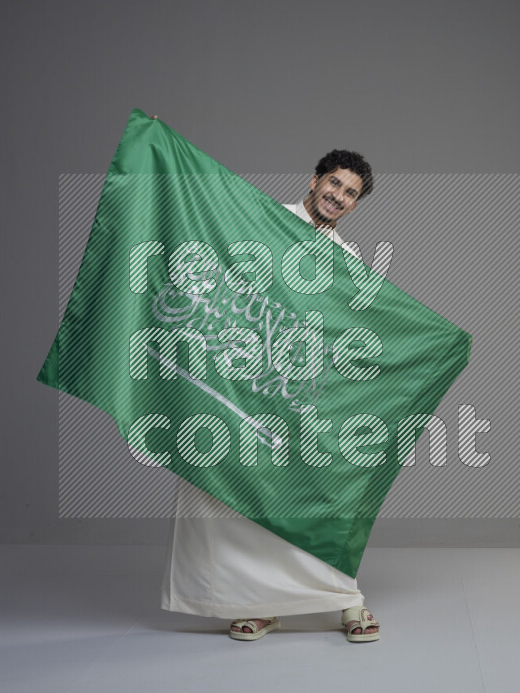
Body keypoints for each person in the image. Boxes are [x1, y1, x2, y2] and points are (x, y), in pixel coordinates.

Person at [160, 147, 381, 643]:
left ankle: (346, 599)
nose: (339, 196)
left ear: (355, 205)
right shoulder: (261, 219)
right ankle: (259, 605)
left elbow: (345, 328)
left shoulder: (347, 258)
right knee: (229, 495)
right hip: (237, 377)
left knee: (311, 493)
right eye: (335, 184)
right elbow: (212, 246)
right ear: (314, 179)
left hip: (294, 391)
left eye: (350, 194)